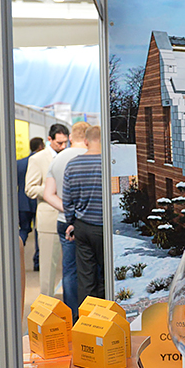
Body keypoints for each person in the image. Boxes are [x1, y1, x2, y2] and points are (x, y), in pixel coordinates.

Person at [42, 121, 90, 321]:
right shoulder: (91, 157)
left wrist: (68, 209)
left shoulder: (58, 159)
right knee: (90, 269)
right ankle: (90, 315)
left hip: (63, 221)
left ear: (71, 137)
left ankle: (72, 317)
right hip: (88, 222)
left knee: (69, 271)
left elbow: (48, 194)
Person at [62, 125, 105, 302]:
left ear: (86, 141)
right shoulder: (108, 163)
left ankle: (87, 322)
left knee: (86, 278)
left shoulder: (72, 164)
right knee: (106, 276)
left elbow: (67, 200)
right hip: (105, 228)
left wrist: (71, 222)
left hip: (83, 228)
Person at [26, 123, 69, 293]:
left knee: (72, 268)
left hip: (70, 219)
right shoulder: (37, 159)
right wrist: (51, 190)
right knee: (47, 270)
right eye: (59, 143)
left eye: (65, 142)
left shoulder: (69, 156)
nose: (63, 146)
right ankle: (47, 308)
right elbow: (29, 188)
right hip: (49, 219)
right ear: (49, 139)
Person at [18, 137, 43, 252]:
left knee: (23, 230)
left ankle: (17, 253)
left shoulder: (19, 163)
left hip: (23, 202)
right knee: (39, 231)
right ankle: (37, 260)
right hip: (38, 200)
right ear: (40, 147)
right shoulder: (42, 162)